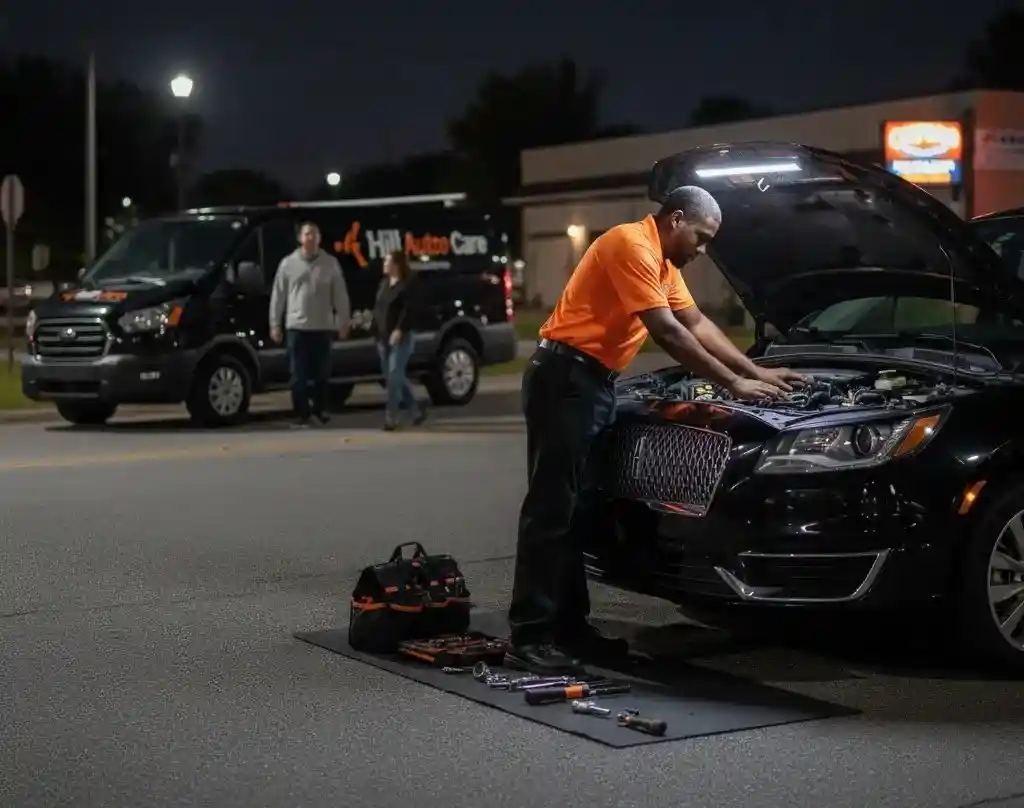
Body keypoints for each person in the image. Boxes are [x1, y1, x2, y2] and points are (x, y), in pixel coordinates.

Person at [505, 186, 809, 675]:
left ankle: (569, 631)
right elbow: (668, 332)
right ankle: (530, 637)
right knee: (550, 511)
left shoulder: (664, 264)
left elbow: (697, 322)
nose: (703, 249)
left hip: (592, 381)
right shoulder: (631, 244)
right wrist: (731, 383)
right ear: (677, 219)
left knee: (577, 511)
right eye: (702, 237)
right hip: (564, 380)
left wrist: (756, 373)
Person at [269, 221, 350, 427]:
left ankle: (320, 410)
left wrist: (343, 321)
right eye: (307, 234)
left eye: (314, 234)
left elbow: (340, 295)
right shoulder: (288, 264)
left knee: (322, 374)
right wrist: (275, 324)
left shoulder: (330, 263)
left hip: (322, 327)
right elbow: (278, 296)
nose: (311, 238)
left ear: (319, 238)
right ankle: (302, 414)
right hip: (297, 328)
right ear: (300, 238)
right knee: (298, 376)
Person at [373, 250, 427, 430]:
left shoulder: (409, 284)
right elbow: (379, 308)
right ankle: (416, 410)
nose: (384, 264)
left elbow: (409, 309)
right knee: (393, 377)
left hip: (401, 337)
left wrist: (399, 329)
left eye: (387, 261)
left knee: (395, 375)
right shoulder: (384, 283)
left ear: (396, 264)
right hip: (383, 338)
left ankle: (391, 417)